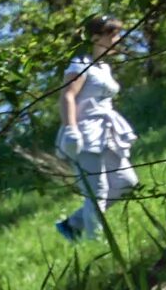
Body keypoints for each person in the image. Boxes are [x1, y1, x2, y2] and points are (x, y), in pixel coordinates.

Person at [59, 14, 141, 243]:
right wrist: (71, 130)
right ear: (96, 37)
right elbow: (67, 96)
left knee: (127, 183)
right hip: (84, 134)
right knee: (97, 192)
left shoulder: (104, 67)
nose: (118, 39)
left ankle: (73, 224)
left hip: (107, 132)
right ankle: (96, 244)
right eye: (112, 35)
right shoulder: (79, 64)